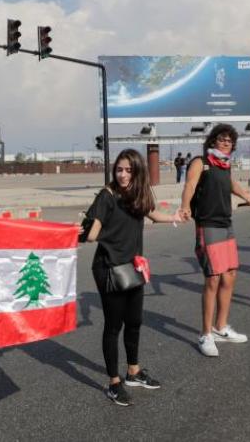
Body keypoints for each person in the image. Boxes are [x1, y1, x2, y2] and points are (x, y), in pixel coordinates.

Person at [85, 148, 181, 407]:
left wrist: (173, 216)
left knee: (135, 321)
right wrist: (87, 227)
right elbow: (91, 234)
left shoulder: (138, 194)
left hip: (134, 266)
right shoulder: (107, 196)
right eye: (119, 169)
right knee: (113, 326)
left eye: (128, 170)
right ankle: (114, 382)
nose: (123, 175)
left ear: (137, 172)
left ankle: (133, 372)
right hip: (109, 267)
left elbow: (153, 214)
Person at [179, 124, 250, 357]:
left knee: (230, 275)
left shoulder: (224, 164)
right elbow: (190, 185)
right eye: (222, 139)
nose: (226, 143)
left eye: (229, 141)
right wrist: (185, 206)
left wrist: (247, 195)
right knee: (213, 278)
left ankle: (221, 327)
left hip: (226, 223)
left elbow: (231, 184)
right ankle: (205, 334)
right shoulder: (201, 162)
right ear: (213, 140)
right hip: (208, 224)